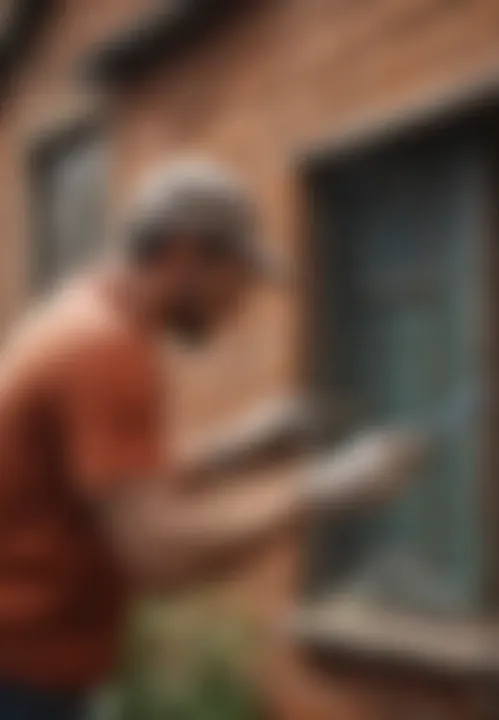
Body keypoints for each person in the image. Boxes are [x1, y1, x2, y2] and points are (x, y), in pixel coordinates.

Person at [0, 159, 425, 719]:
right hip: (22, 684)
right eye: (240, 277)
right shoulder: (102, 350)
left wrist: (242, 447)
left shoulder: (84, 317)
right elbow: (159, 554)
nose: (241, 302)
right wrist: (325, 488)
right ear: (184, 253)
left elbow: (109, 492)